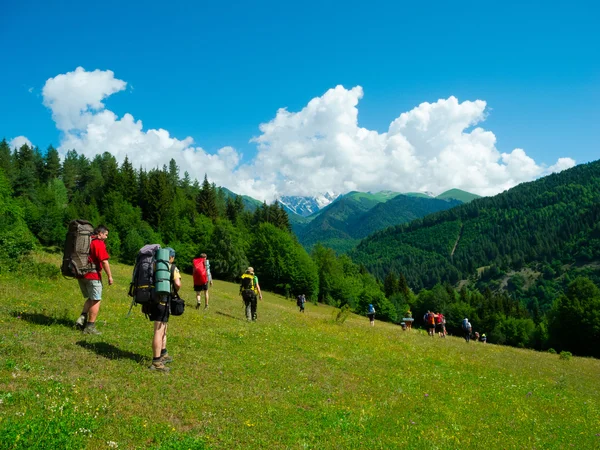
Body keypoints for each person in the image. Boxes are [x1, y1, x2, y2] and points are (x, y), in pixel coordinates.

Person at [74, 225, 113, 335]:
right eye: (105, 235)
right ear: (100, 233)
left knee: (91, 298)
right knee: (96, 299)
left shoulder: (87, 241)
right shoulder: (98, 243)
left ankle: (81, 319)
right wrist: (110, 276)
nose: (106, 237)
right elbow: (104, 261)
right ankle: (90, 327)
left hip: (81, 274)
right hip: (93, 275)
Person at [148, 247, 181, 372]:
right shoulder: (171, 267)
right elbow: (178, 284)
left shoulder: (154, 264)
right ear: (170, 257)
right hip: (163, 301)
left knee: (163, 328)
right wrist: (174, 291)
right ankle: (156, 362)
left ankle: (163, 353)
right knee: (159, 330)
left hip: (152, 301)